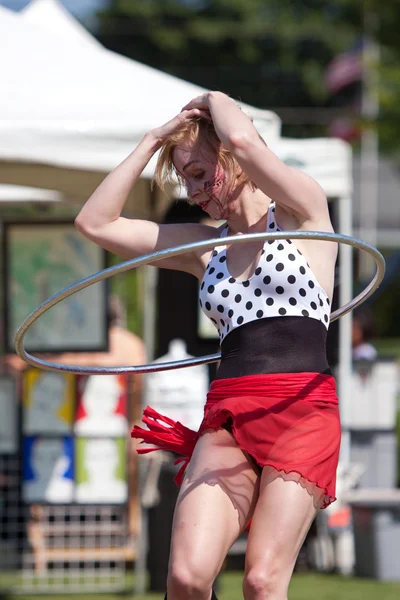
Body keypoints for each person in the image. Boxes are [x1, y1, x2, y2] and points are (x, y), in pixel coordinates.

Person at [75, 91, 340, 600]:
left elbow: (242, 136)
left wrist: (213, 100)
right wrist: (153, 140)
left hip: (301, 409)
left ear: (232, 157)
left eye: (201, 173)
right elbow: (96, 223)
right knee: (187, 577)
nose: (194, 190)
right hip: (229, 418)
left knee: (262, 582)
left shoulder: (302, 210)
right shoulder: (203, 247)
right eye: (185, 179)